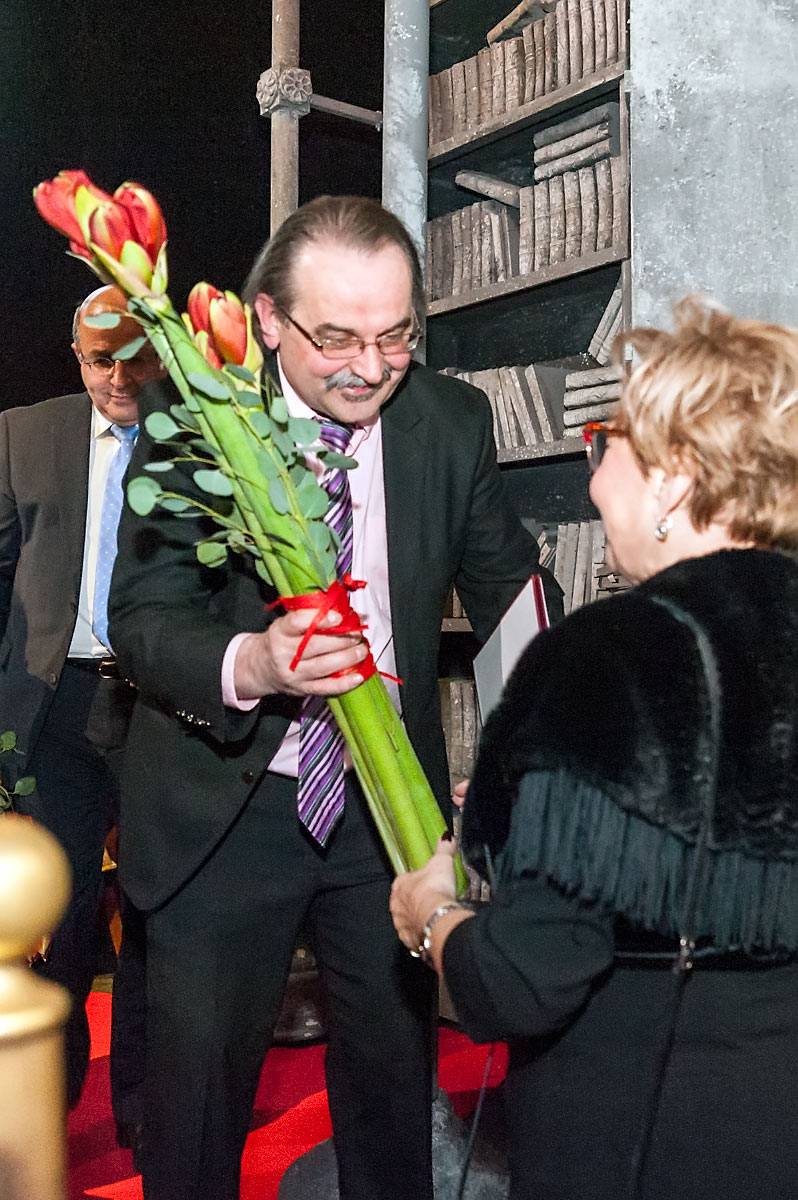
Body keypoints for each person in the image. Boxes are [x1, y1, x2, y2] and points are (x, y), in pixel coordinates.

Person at [107, 194, 561, 1200]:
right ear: (269, 321)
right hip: (224, 808)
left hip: (386, 815)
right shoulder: (197, 419)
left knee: (394, 1102)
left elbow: (512, 601)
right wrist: (255, 662)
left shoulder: (451, 421)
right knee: (195, 1117)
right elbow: (142, 618)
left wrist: (546, 751)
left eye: (396, 336)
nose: (369, 366)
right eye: (338, 339)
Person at [391, 295, 798, 1200]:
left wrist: (433, 916)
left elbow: (521, 982)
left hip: (637, 1135)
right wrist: (550, 818)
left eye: (605, 442)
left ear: (674, 480)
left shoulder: (608, 657)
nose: (593, 481)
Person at [0, 285, 163, 1131]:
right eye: (101, 361)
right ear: (77, 358)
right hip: (55, 710)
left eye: (134, 357)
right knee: (57, 920)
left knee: (152, 914)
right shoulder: (22, 435)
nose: (119, 378)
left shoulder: (200, 442)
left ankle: (141, 1110)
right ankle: (49, 1112)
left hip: (162, 711)